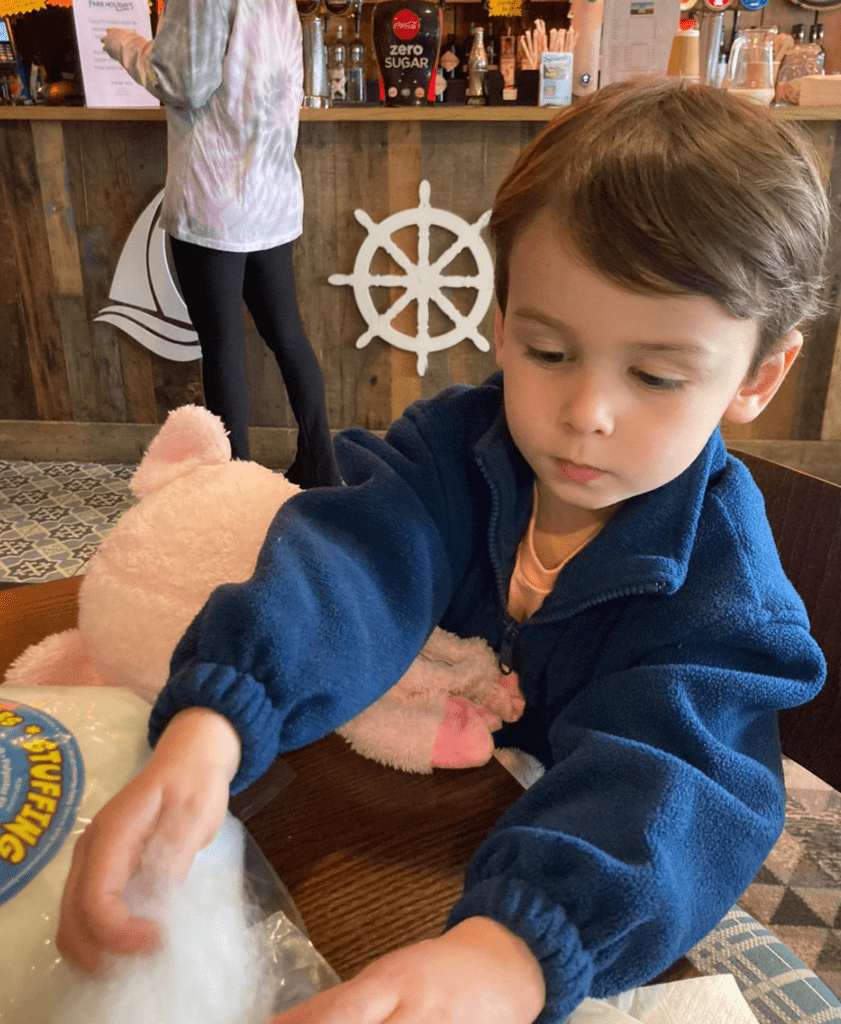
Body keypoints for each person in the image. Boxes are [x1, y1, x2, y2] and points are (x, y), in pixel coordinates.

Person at [57, 79, 830, 1024]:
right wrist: (217, 721)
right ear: (500, 322)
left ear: (758, 373)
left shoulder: (728, 592)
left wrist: (513, 948)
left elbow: (678, 775)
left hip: (586, 892)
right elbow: (352, 562)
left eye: (656, 375)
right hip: (411, 815)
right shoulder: (452, 448)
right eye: (547, 352)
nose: (586, 414)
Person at [101, 0, 341, 487]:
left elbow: (182, 82)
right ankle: (321, 466)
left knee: (222, 345)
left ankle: (234, 490)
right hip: (270, 192)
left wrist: (121, 43)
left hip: (214, 196)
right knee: (286, 333)